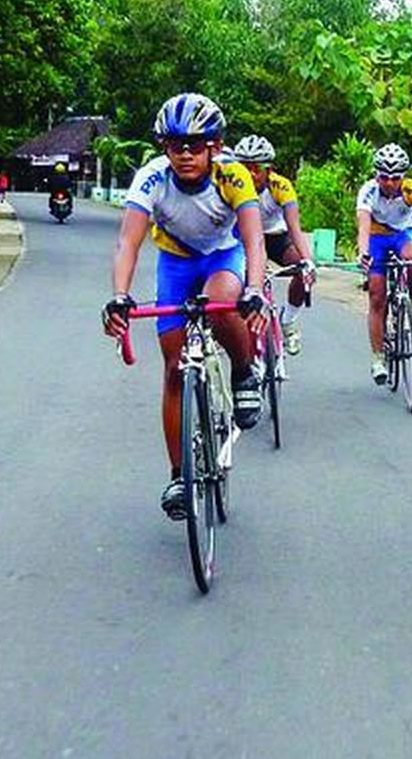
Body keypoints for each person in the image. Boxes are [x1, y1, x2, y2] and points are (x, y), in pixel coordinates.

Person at [101, 92, 268, 521]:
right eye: (176, 146)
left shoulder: (233, 176)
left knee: (221, 300)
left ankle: (244, 369)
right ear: (165, 148)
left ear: (216, 145)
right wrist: (120, 296)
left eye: (197, 144)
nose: (186, 154)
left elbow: (253, 239)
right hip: (175, 262)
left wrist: (253, 287)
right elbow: (128, 242)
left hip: (223, 255)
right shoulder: (153, 179)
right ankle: (179, 475)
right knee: (174, 368)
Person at [355, 143, 412, 384]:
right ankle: (378, 358)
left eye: (395, 178)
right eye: (384, 177)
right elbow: (363, 227)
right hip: (376, 238)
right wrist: (364, 254)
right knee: (377, 296)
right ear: (377, 175)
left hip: (401, 235)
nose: (389, 182)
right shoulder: (368, 191)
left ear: (402, 177)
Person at [233, 134, 315, 356]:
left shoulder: (281, 186)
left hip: (275, 237)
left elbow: (294, 226)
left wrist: (307, 261)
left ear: (269, 169)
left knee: (300, 268)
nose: (251, 174)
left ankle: (288, 321)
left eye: (256, 168)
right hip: (243, 239)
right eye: (244, 167)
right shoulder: (232, 185)